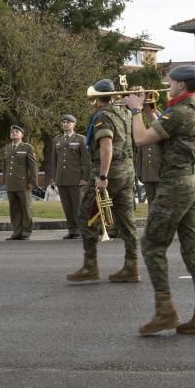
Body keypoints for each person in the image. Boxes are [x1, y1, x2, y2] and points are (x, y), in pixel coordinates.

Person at [124, 65, 195, 335]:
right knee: (193, 247)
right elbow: (166, 128)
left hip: (175, 185)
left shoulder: (178, 112)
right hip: (193, 182)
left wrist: (134, 111)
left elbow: (141, 138)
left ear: (180, 85)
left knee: (152, 245)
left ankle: (165, 311)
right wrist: (151, 111)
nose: (166, 85)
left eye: (170, 82)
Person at [66, 79, 139, 282]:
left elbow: (106, 146)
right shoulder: (124, 112)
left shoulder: (103, 117)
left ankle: (90, 266)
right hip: (127, 171)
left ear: (98, 98)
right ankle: (132, 267)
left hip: (109, 172)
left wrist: (103, 176)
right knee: (127, 220)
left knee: (85, 216)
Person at [48, 114, 90, 239]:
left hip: (76, 178)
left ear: (74, 124)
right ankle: (71, 230)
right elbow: (54, 161)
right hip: (61, 178)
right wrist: (54, 177)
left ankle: (80, 230)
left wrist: (85, 177)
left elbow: (87, 161)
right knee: (66, 206)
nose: (65, 124)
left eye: (68, 122)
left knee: (77, 206)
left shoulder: (81, 139)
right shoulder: (57, 140)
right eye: (63, 122)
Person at [3, 124, 39, 240]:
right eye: (12, 131)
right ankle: (16, 232)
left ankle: (26, 232)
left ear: (22, 135)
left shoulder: (27, 147)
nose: (14, 133)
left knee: (25, 208)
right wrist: (5, 181)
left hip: (23, 183)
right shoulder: (7, 148)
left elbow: (33, 167)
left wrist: (32, 182)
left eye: (16, 132)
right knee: (14, 210)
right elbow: (5, 167)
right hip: (10, 183)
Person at [134, 102, 162, 203]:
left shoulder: (161, 138)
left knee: (161, 201)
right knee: (151, 200)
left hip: (160, 174)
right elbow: (140, 156)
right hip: (147, 174)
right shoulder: (145, 136)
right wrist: (139, 173)